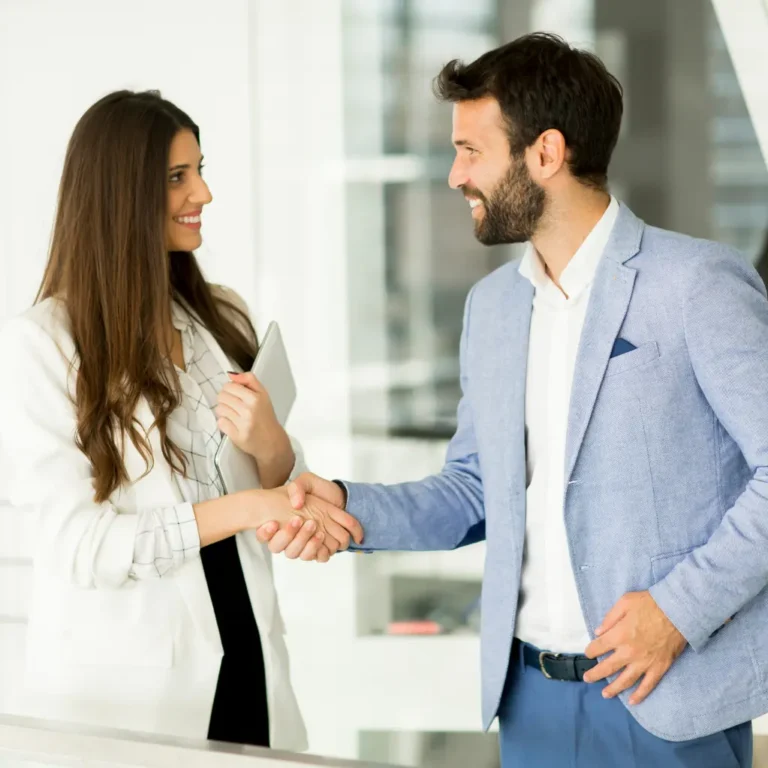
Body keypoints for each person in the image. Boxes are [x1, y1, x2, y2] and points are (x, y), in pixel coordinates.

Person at [257, 33, 768, 768]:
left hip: (665, 697)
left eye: (471, 150)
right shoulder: (493, 308)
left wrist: (678, 613)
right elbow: (473, 490)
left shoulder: (695, 285)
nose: (453, 174)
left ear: (545, 153)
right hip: (528, 702)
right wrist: (341, 504)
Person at [0, 90, 362, 749]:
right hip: (136, 695)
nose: (204, 192)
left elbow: (277, 484)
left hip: (248, 658)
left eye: (200, 169)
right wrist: (250, 508)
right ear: (120, 196)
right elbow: (80, 544)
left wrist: (274, 445)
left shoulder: (221, 316)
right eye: (177, 177)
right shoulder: (42, 345)